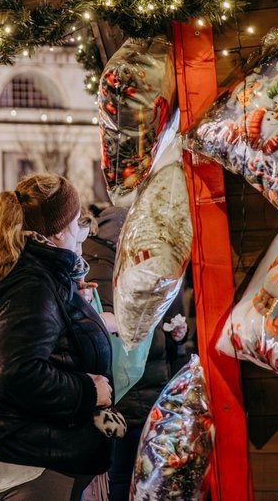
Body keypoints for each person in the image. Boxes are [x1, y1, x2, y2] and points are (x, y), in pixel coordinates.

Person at [0, 174, 113, 500]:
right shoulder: (32, 283)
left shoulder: (34, 273)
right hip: (36, 463)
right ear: (59, 229)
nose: (80, 227)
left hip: (41, 454)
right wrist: (89, 390)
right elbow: (17, 371)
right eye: (75, 219)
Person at [81, 205, 188, 501]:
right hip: (128, 388)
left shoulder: (153, 260)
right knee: (125, 473)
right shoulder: (101, 263)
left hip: (152, 384)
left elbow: (167, 317)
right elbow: (118, 325)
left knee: (144, 474)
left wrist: (178, 335)